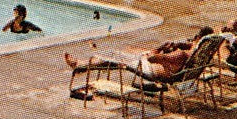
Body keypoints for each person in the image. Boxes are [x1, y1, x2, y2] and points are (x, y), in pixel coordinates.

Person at [65, 33, 200, 82]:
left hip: (149, 70)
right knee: (116, 60)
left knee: (114, 58)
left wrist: (158, 51)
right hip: (153, 68)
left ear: (195, 40)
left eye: (191, 40)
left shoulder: (179, 54)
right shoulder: (192, 55)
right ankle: (82, 66)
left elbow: (152, 59)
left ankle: (80, 65)